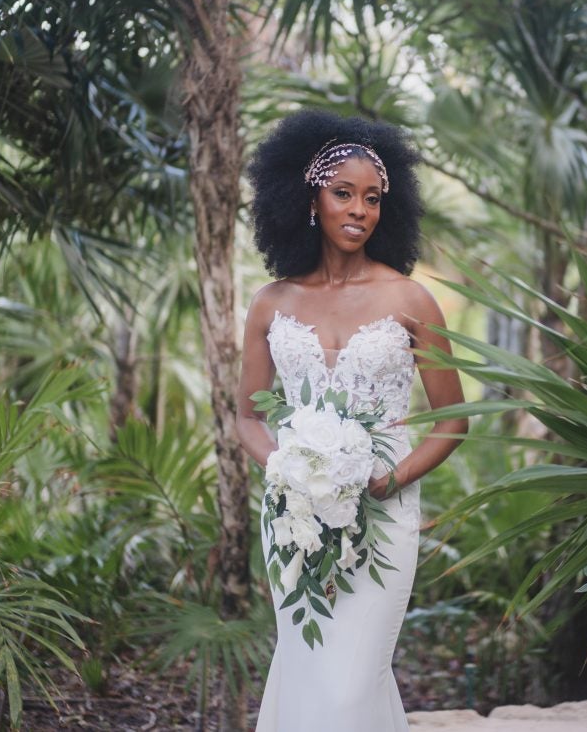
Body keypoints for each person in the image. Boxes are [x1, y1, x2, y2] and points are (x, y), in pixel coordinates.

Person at [235, 109, 469, 732]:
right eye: (343, 194)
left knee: (353, 681)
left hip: (384, 511)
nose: (359, 210)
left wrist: (389, 481)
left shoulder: (413, 301)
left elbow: (453, 422)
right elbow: (246, 418)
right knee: (311, 667)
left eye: (372, 198)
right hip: (295, 515)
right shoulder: (270, 304)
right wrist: (289, 471)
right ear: (309, 198)